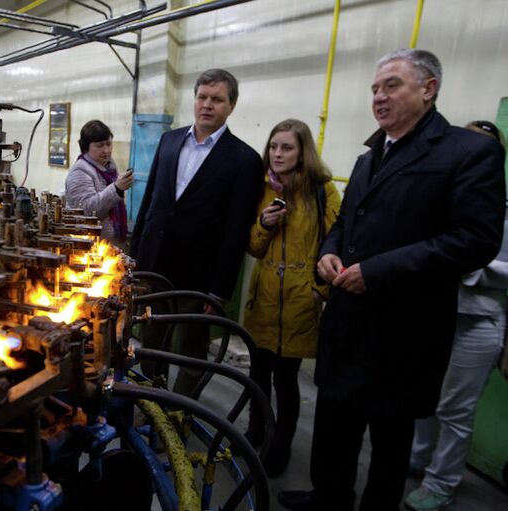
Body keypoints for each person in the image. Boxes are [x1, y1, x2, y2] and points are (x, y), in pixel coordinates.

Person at [279, 49, 505, 511]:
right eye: (375, 89)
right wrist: (329, 252)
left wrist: (380, 272)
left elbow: (476, 239)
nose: (379, 97)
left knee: (389, 444)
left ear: (428, 88)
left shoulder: (468, 152)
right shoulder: (370, 155)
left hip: (406, 331)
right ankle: (329, 497)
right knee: (333, 429)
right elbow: (345, 224)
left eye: (392, 86)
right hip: (348, 321)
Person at [130, 68, 264, 395]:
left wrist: (219, 290)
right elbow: (150, 205)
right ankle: (152, 404)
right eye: (202, 97)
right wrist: (134, 259)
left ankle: (179, 414)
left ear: (231, 106)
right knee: (150, 342)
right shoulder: (170, 141)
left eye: (217, 99)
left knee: (191, 351)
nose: (207, 105)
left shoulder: (244, 160)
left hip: (199, 278)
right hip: (155, 267)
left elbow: (236, 231)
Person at [404, 121, 508, 511]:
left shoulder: (503, 203)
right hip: (434, 309)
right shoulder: (444, 194)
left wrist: (471, 266)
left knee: (456, 409)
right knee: (424, 395)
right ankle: (416, 459)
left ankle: (441, 483)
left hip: (480, 317)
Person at [243, 119, 341, 477]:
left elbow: (336, 242)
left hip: (301, 300)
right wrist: (264, 225)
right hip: (264, 296)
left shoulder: (322, 190)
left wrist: (319, 291)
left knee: (286, 381)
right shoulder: (261, 189)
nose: (278, 154)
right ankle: (255, 430)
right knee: (257, 373)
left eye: (287, 148)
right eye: (273, 147)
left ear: (303, 153)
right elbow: (253, 247)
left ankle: (280, 445)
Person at [64, 120, 133, 247]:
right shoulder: (80, 172)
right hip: (89, 248)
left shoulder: (109, 168)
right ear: (86, 147)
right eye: (100, 145)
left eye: (108, 144)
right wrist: (116, 189)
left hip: (107, 246)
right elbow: (85, 211)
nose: (106, 150)